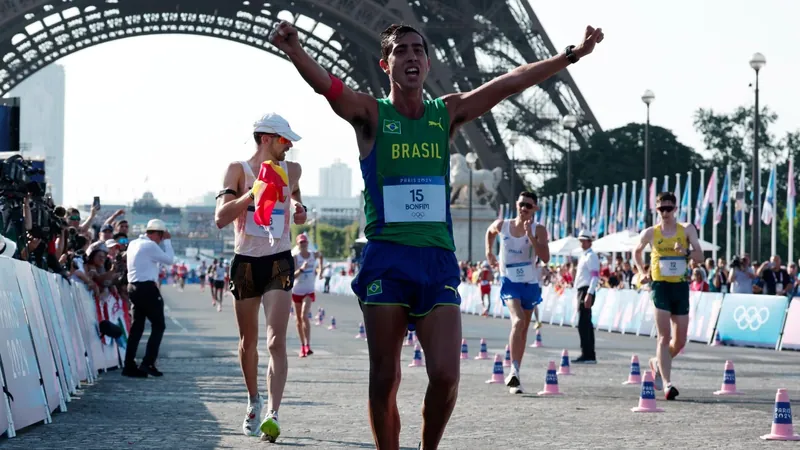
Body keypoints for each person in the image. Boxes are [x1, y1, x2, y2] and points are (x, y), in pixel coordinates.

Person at [271, 19, 602, 449]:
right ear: (385, 63)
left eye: (418, 50)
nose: (411, 56)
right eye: (402, 51)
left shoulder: (444, 114)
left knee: (446, 375)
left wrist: (570, 55)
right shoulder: (372, 115)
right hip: (388, 260)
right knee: (385, 377)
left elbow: (508, 83)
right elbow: (329, 86)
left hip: (436, 261)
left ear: (428, 62)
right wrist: (296, 50)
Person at [214, 112, 307, 442]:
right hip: (246, 263)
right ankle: (253, 400)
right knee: (248, 342)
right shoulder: (238, 169)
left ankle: (273, 412)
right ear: (266, 138)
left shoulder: (292, 170)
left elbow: (296, 200)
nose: (290, 145)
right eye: (285, 140)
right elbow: (221, 218)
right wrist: (252, 193)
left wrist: (300, 209)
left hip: (279, 260)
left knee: (275, 341)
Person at [634, 192, 703, 400]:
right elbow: (636, 252)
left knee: (680, 340)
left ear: (675, 209)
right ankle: (667, 384)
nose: (665, 212)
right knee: (663, 337)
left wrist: (686, 252)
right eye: (661, 209)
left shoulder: (687, 229)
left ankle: (657, 363)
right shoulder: (650, 233)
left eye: (668, 208)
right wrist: (642, 272)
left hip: (680, 286)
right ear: (656, 210)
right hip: (660, 286)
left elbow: (700, 256)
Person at [485, 191, 549, 394]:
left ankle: (516, 373)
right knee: (518, 321)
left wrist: (531, 236)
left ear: (535, 209)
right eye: (522, 204)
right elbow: (489, 231)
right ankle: (512, 370)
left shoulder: (539, 229)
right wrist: (489, 251)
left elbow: (546, 257)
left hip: (529, 282)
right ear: (516, 204)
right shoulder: (502, 225)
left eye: (529, 206)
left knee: (523, 330)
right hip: (509, 280)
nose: (524, 208)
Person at [123, 219, 175, 378]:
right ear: (157, 234)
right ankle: (148, 362)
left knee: (137, 327)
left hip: (133, 286)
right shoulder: (150, 245)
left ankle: (129, 365)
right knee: (159, 325)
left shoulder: (133, 243)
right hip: (147, 288)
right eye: (161, 236)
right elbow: (169, 260)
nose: (161, 240)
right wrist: (168, 241)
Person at [292, 233, 323, 357]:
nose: (303, 244)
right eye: (301, 243)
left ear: (307, 243)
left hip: (308, 291)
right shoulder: (295, 257)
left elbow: (321, 255)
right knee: (298, 320)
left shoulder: (312, 255)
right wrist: (302, 269)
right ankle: (302, 345)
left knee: (304, 315)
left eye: (304, 242)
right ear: (298, 244)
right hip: (297, 291)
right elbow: (293, 275)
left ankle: (308, 345)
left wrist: (320, 270)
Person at [572, 229, 599, 364]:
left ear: (590, 242)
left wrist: (590, 293)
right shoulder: (584, 255)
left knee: (583, 323)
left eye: (584, 241)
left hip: (586, 290)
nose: (582, 243)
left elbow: (595, 277)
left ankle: (587, 353)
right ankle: (588, 353)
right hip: (582, 289)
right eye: (581, 241)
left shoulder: (591, 256)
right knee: (585, 323)